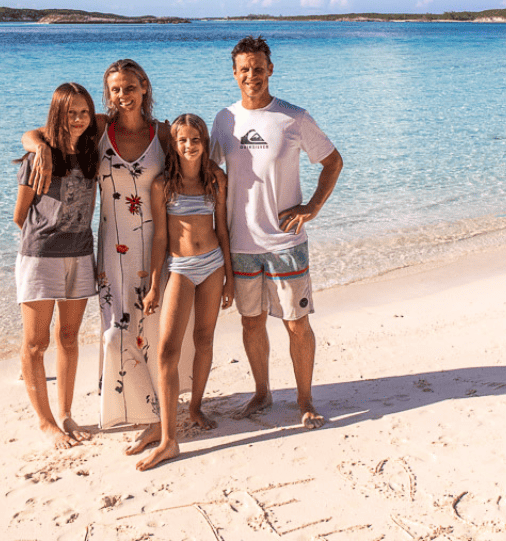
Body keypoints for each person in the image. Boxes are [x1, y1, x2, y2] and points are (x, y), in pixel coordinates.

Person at [22, 59, 181, 455]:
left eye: (130, 87)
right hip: (111, 247)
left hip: (157, 245)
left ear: (144, 86)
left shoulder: (163, 132)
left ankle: (162, 414)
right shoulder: (96, 127)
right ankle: (136, 410)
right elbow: (42, 131)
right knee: (116, 334)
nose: (122, 95)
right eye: (115, 90)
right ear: (107, 94)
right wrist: (39, 148)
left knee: (157, 331)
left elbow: (194, 170)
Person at [210, 36, 343, 429]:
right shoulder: (225, 119)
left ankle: (305, 399)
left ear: (271, 69)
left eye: (259, 67)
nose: (252, 75)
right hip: (241, 243)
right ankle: (262, 392)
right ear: (234, 74)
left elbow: (333, 162)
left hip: (286, 243)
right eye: (244, 69)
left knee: (296, 324)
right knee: (251, 321)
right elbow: (206, 169)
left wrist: (312, 207)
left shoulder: (294, 118)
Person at [135, 114, 234, 470]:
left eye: (196, 140)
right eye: (182, 141)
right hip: (180, 268)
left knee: (204, 339)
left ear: (205, 142)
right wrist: (153, 287)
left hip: (213, 266)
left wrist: (231, 278)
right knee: (166, 352)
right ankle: (168, 438)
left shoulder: (216, 179)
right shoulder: (163, 185)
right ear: (173, 145)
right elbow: (160, 238)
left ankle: (194, 408)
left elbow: (222, 230)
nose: (189, 146)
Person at [14, 82, 98, 449]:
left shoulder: (93, 150)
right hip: (41, 255)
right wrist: (38, 146)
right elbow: (21, 215)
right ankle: (46, 423)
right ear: (57, 114)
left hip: (81, 254)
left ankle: (65, 413)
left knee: (68, 337)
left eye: (83, 112)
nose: (78, 119)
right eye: (70, 113)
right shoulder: (40, 155)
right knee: (36, 343)